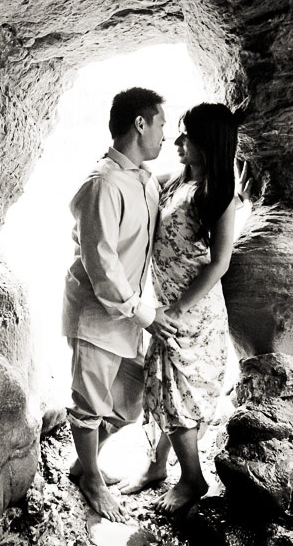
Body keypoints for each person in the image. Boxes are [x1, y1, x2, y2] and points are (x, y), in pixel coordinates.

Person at [118, 102, 246, 517]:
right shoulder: (177, 181)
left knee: (179, 395)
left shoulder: (218, 195)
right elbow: (131, 183)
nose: (177, 141)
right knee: (164, 386)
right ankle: (157, 467)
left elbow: (220, 262)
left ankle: (192, 479)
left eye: (186, 135)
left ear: (207, 143)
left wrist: (177, 308)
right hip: (169, 304)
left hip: (193, 309)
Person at [62, 87, 180, 522]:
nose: (166, 135)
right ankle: (90, 478)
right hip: (98, 312)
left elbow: (156, 192)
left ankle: (82, 461)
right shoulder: (102, 184)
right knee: (89, 402)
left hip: (128, 312)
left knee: (131, 401)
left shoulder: (140, 177)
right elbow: (102, 266)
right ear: (140, 124)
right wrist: (147, 316)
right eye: (162, 124)